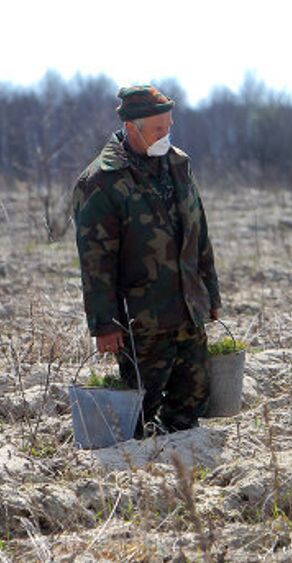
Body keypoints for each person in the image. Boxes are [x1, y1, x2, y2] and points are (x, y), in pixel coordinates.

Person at [73, 85, 222, 436]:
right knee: (139, 407)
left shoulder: (178, 165)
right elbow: (96, 262)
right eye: (157, 129)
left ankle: (182, 471)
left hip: (188, 307)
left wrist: (210, 296)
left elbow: (199, 234)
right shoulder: (101, 182)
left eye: (168, 127)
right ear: (131, 128)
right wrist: (104, 324)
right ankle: (136, 474)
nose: (165, 135)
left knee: (193, 396)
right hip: (141, 318)